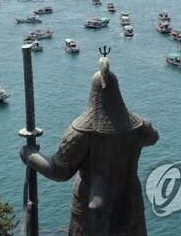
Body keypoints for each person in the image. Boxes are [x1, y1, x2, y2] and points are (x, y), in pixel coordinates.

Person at [20, 54, 158, 235]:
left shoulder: (81, 131)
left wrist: (29, 154)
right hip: (130, 207)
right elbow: (153, 138)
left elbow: (59, 171)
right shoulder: (138, 126)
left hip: (91, 213)